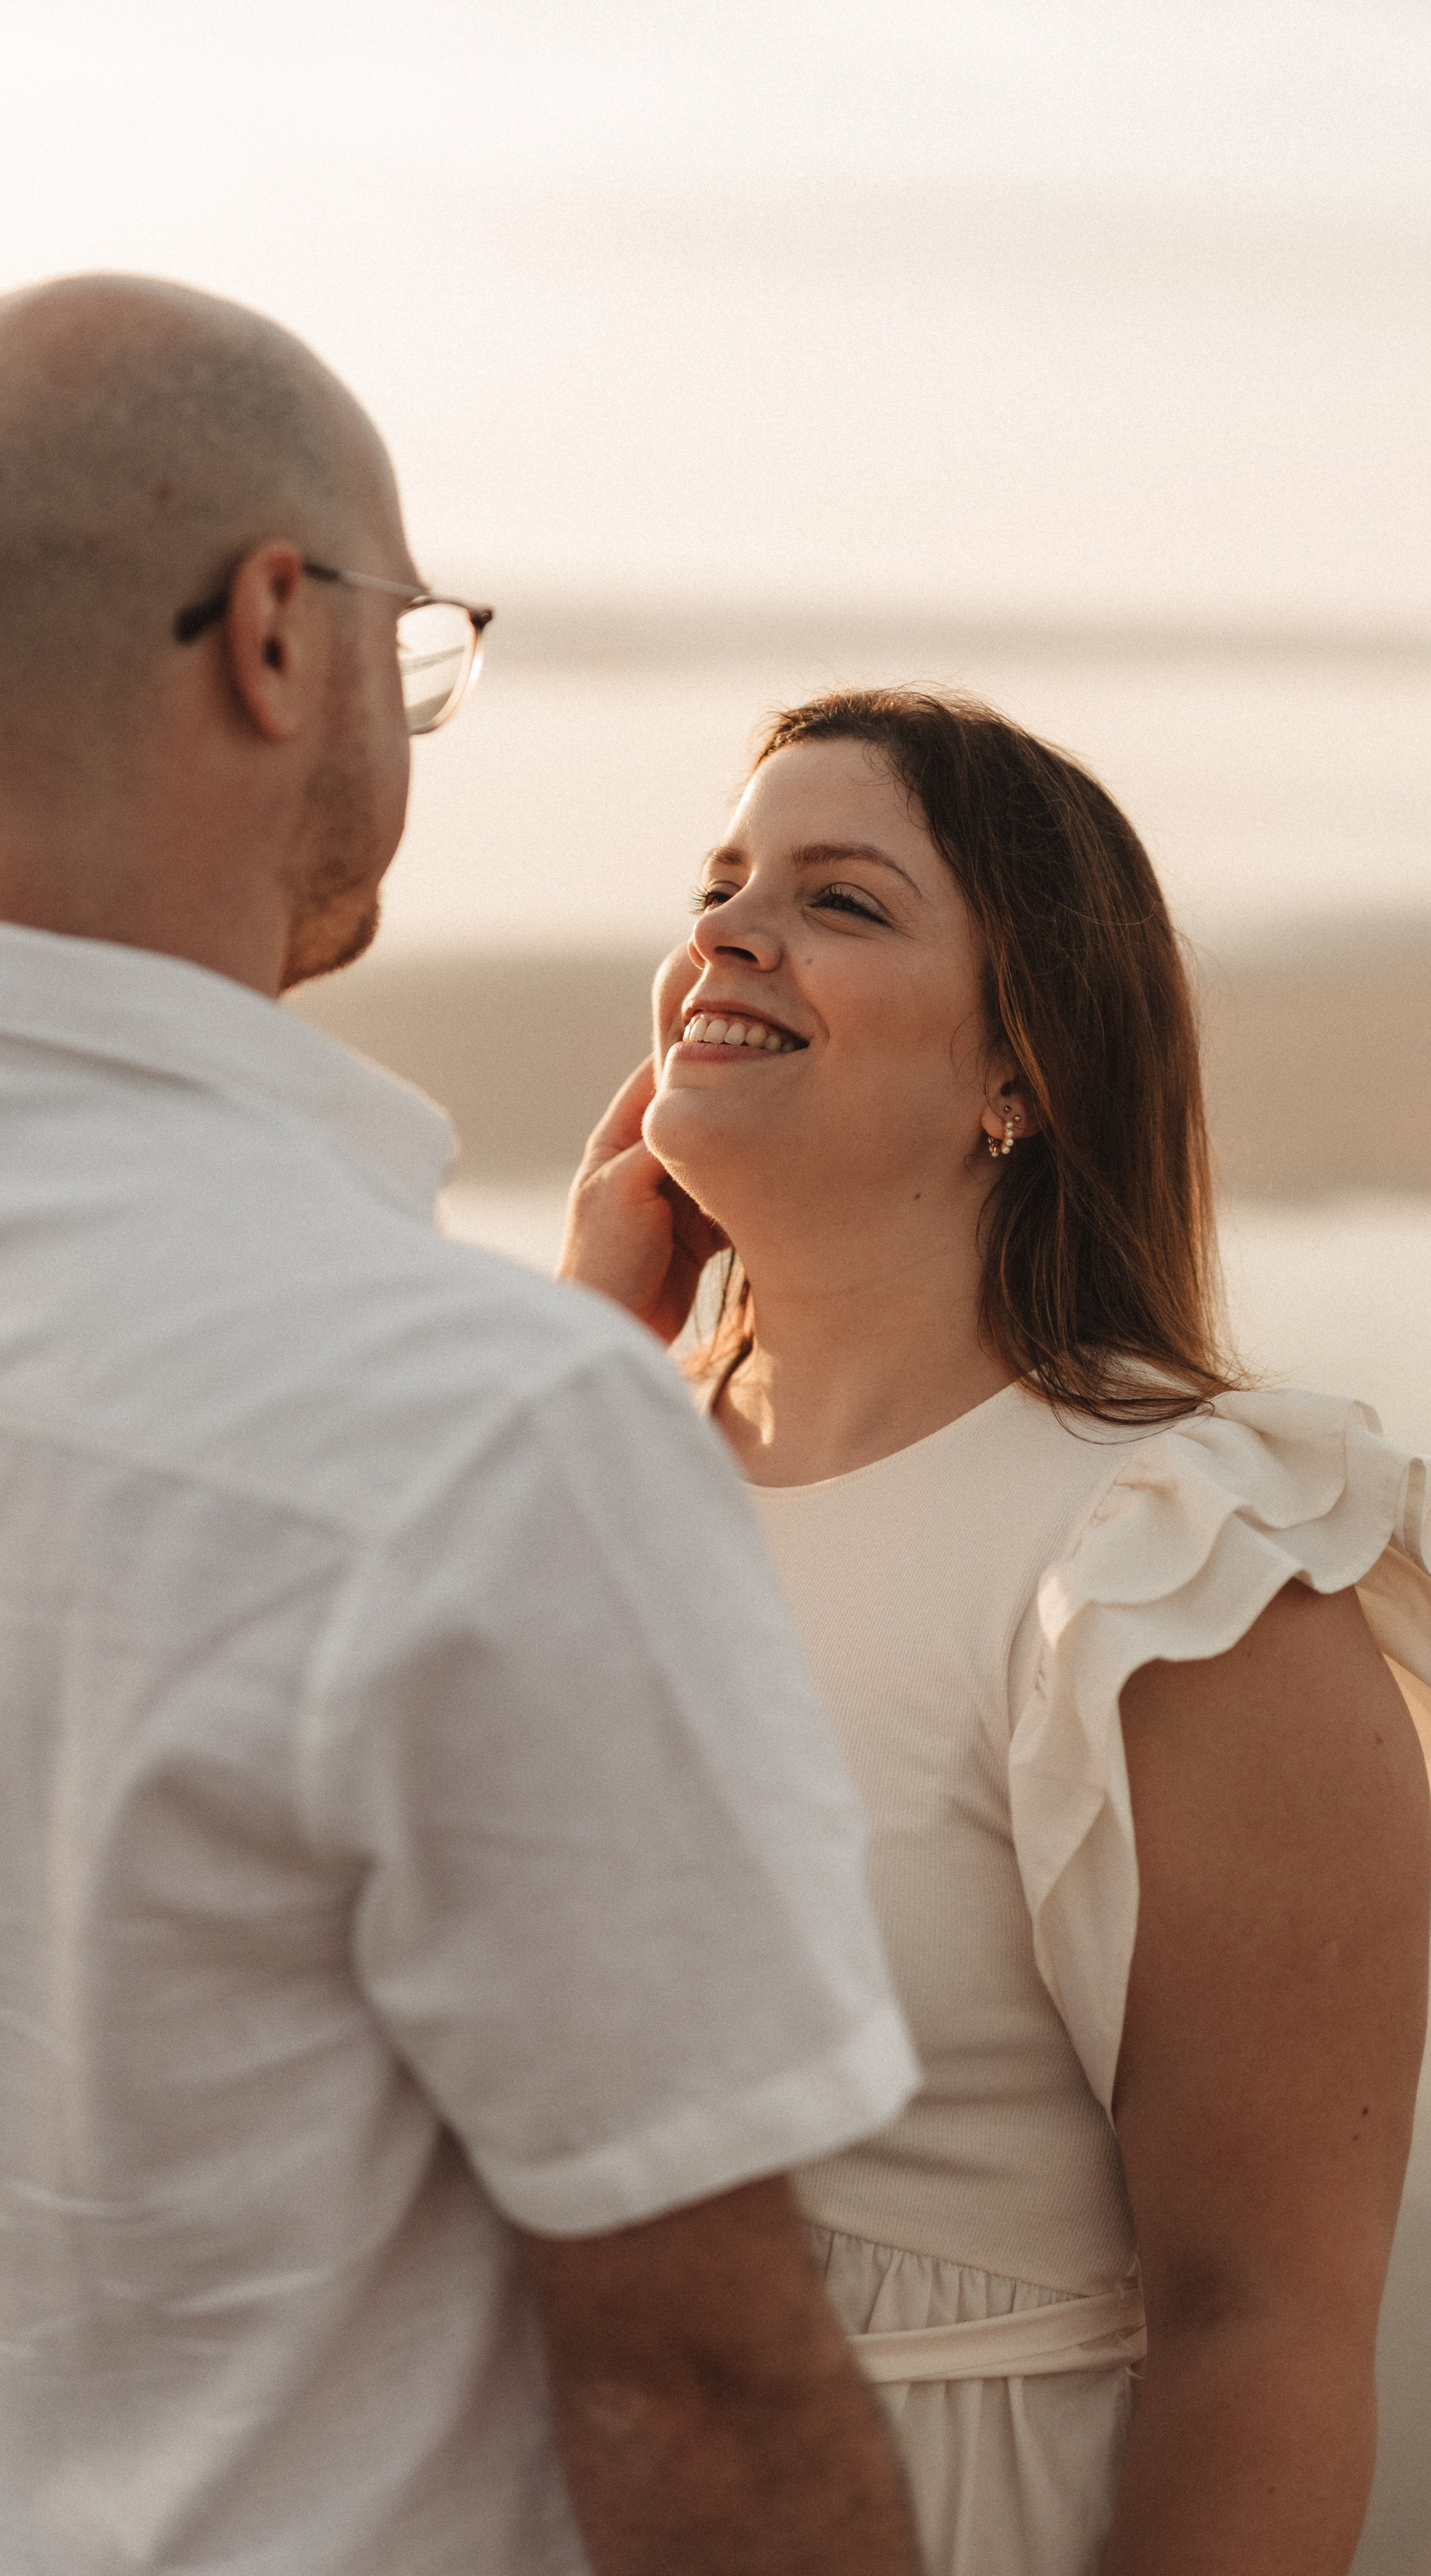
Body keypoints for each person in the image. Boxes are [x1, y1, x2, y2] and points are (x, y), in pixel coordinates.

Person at [0, 279, 925, 2576]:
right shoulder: (495, 1441)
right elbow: (700, 2387)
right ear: (278, 634)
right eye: (410, 631)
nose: (409, 697)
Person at [559, 684, 1431, 2576]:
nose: (725, 930)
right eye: (722, 883)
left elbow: (1266, 2335)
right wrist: (568, 1380)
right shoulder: (577, 1474)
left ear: (1016, 1068)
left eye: (839, 899)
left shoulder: (1177, 1564)